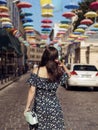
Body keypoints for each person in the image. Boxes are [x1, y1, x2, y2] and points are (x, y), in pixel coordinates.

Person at [24, 46, 71, 130]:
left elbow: (32, 90)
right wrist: (63, 65)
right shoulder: (57, 71)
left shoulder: (37, 70)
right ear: (56, 58)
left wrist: (27, 107)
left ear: (44, 56)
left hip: (39, 108)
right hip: (54, 107)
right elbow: (69, 75)